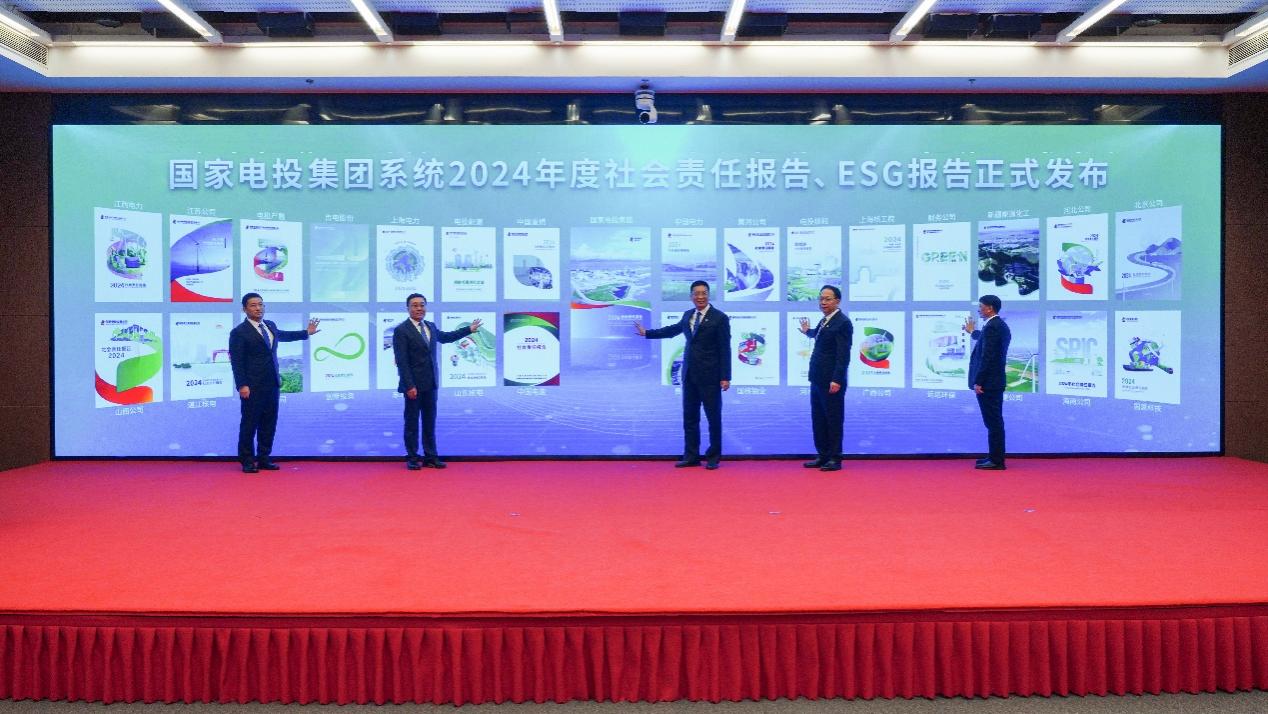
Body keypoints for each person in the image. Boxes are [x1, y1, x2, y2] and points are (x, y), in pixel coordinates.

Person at [635, 280, 731, 470]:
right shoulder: (688, 315)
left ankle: (713, 457)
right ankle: (691, 456)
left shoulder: (720, 318)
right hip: (689, 375)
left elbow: (724, 348)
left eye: (704, 293)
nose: (700, 297)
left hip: (711, 376)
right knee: (690, 418)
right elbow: (672, 330)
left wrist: (725, 376)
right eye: (696, 293)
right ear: (691, 296)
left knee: (713, 418)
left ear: (708, 295)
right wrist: (647, 333)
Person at [228, 293, 319, 473]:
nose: (258, 308)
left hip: (272, 384)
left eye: (261, 304)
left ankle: (264, 458)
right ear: (244, 309)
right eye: (253, 305)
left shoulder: (270, 325)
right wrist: (242, 385)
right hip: (252, 386)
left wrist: (306, 332)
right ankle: (247, 461)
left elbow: (283, 335)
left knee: (269, 424)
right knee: (249, 424)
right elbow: (237, 362)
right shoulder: (239, 332)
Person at [393, 293, 482, 470]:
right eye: (415, 305)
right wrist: (409, 385)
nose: (419, 308)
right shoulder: (401, 330)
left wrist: (468, 329)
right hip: (413, 386)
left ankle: (431, 456)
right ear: (408, 308)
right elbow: (402, 361)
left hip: (431, 383)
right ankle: (412, 457)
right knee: (411, 423)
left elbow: (446, 337)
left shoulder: (430, 326)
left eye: (422, 305)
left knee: (429, 422)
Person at [798, 285, 853, 472]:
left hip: (831, 381)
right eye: (821, 298)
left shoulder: (843, 323)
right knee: (819, 419)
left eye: (828, 299)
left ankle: (835, 458)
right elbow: (820, 336)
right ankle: (822, 455)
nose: (823, 302)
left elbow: (843, 355)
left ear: (837, 301)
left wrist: (837, 379)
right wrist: (808, 331)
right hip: (817, 378)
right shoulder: (825, 320)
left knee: (833, 419)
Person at [965, 294, 1012, 471]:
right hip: (994, 382)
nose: (979, 309)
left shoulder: (993, 327)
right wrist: (973, 332)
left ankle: (996, 461)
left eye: (981, 306)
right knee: (993, 421)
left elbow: (988, 356)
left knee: (993, 422)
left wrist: (979, 381)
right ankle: (994, 457)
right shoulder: (996, 325)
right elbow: (987, 342)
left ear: (989, 308)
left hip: (989, 383)